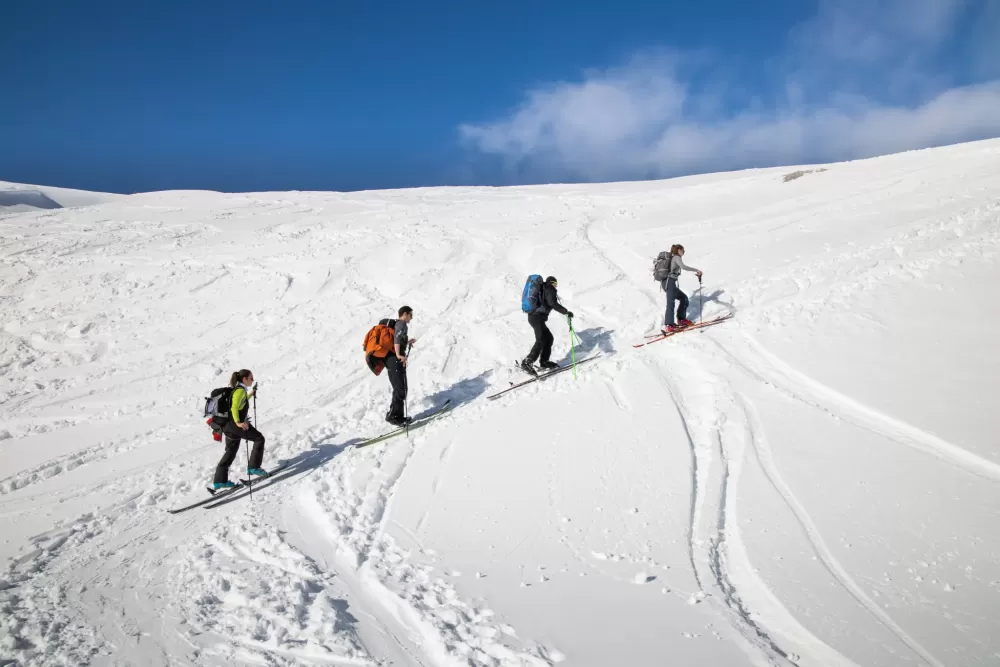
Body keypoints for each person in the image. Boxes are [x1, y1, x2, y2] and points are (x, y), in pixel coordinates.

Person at [213, 369, 267, 489]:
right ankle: (254, 467)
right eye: (251, 378)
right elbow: (234, 407)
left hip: (228, 426)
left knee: (231, 451)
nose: (252, 380)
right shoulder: (240, 391)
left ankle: (220, 480)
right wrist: (238, 422)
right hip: (236, 425)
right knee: (259, 439)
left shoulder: (238, 390)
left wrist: (251, 393)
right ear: (244, 379)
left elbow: (241, 401)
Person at [520, 276, 574, 376]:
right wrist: (566, 312)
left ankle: (544, 361)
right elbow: (552, 303)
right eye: (555, 284)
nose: (556, 286)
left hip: (535, 317)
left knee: (548, 338)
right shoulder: (549, 288)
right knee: (540, 340)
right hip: (537, 317)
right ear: (552, 283)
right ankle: (527, 362)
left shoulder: (544, 289)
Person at [385, 306, 417, 426]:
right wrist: (398, 354)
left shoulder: (398, 325)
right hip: (394, 359)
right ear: (404, 314)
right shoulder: (401, 324)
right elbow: (397, 339)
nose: (411, 317)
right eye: (410, 315)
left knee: (401, 388)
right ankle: (394, 416)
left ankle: (397, 416)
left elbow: (397, 339)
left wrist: (407, 342)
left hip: (392, 359)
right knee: (400, 388)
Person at [662, 244, 702, 333]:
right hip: (669, 282)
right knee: (670, 304)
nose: (683, 252)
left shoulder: (674, 257)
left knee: (684, 298)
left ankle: (681, 319)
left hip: (670, 283)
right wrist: (696, 270)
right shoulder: (676, 257)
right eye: (683, 251)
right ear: (679, 250)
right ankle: (669, 325)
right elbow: (684, 267)